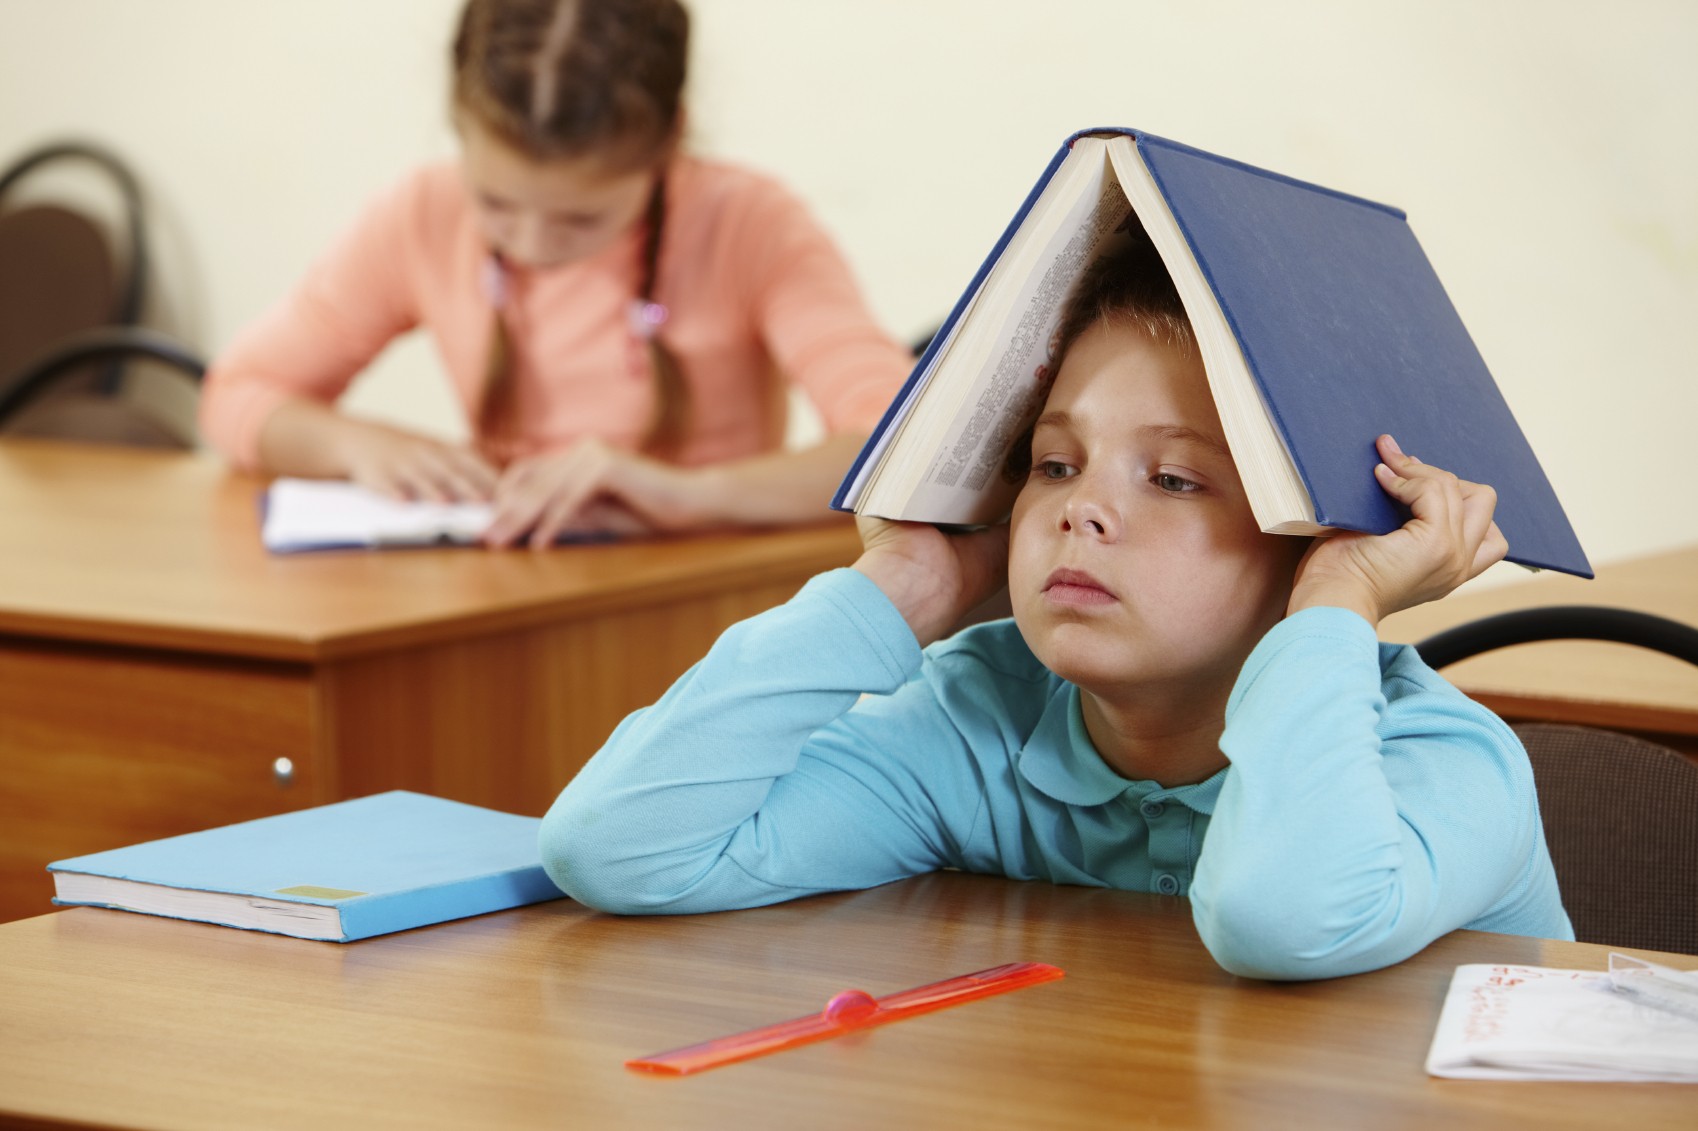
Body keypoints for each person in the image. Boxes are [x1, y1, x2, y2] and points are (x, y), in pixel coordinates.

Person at [539, 237, 1573, 981]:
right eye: (1053, 463)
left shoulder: (1444, 762)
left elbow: (1283, 919)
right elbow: (620, 846)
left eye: (1173, 479)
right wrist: (904, 591)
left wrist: (1338, 603)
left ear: (1317, 534)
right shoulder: (978, 723)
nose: (1081, 510)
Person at [199, 0, 911, 548]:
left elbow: (899, 442)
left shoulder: (748, 222)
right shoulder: (424, 214)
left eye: (581, 220)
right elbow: (235, 395)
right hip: (508, 604)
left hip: (704, 616)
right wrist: (356, 445)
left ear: (668, 141)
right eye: (498, 204)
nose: (534, 243)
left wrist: (686, 494)